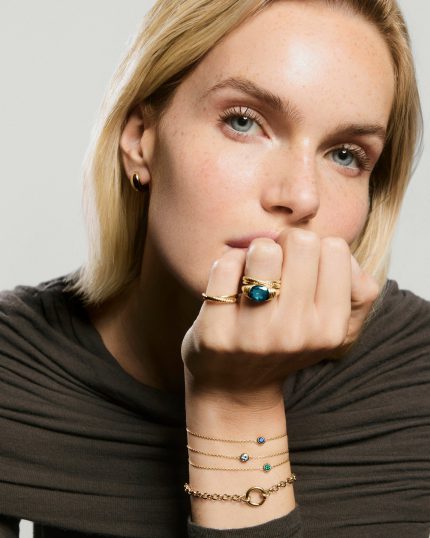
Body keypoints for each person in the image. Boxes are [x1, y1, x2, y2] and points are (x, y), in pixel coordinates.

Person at [0, 0, 429, 536]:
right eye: (243, 122)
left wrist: (237, 403)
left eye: (345, 154)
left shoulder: (416, 380)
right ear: (140, 139)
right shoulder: (14, 371)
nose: (300, 196)